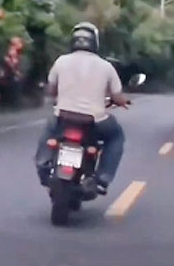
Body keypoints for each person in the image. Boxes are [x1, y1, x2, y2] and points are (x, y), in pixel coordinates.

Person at [34, 22, 129, 195]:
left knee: (49, 129)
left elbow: (51, 89)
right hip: (95, 121)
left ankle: (43, 164)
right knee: (116, 136)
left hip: (63, 117)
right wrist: (123, 102)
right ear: (95, 42)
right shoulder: (106, 66)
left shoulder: (61, 61)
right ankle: (102, 178)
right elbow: (117, 96)